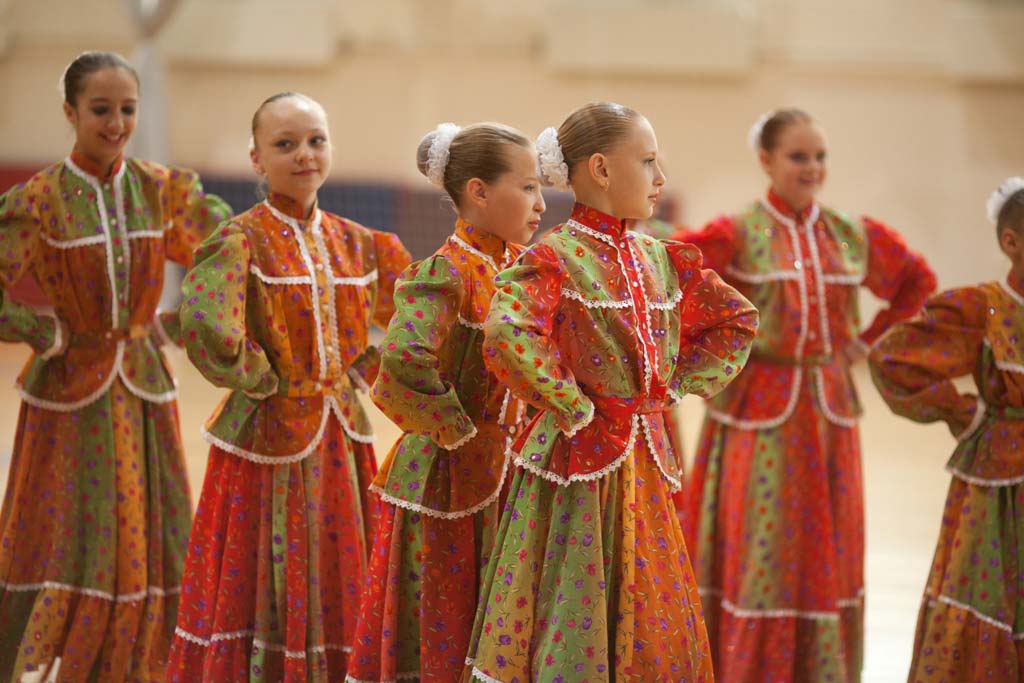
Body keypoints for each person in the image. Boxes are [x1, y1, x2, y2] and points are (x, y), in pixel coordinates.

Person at [464, 102, 758, 683]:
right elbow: (507, 331)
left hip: (643, 461)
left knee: (648, 606)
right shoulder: (555, 256)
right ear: (600, 169)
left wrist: (670, 385)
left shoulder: (659, 259)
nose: (660, 177)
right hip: (575, 464)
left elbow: (736, 320)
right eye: (647, 161)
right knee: (572, 602)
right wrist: (573, 405)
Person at [679, 108, 937, 682]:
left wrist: (865, 342)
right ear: (766, 161)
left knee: (826, 543)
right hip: (757, 411)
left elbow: (917, 282)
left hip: (828, 413)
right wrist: (712, 354)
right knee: (760, 545)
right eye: (798, 156)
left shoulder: (849, 233)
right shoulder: (737, 232)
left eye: (820, 156)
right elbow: (674, 277)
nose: (812, 167)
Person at [0, 50, 230, 683]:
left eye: (128, 109)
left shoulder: (161, 189)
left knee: (151, 532)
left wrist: (181, 324)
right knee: (77, 531)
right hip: (69, 393)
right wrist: (39, 328)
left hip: (144, 387)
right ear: (70, 111)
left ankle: (139, 661)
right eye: (100, 109)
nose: (116, 123)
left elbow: (225, 254)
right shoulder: (40, 199)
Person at [166, 92, 411, 681]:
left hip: (340, 440)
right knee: (265, 567)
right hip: (266, 441)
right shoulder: (240, 239)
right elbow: (205, 324)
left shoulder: (361, 243)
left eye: (315, 140)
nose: (304, 154)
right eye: (285, 144)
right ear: (256, 158)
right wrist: (263, 376)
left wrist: (367, 368)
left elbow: (412, 320)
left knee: (336, 562)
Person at [347, 122, 542, 683]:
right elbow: (403, 358)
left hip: (509, 471)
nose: (539, 203)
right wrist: (456, 427)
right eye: (527, 187)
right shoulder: (448, 272)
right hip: (448, 479)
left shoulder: (519, 269)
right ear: (479, 191)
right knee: (445, 626)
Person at [870, 177, 1024, 682]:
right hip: (998, 488)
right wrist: (963, 413)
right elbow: (894, 358)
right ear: (1011, 242)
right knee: (989, 597)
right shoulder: (984, 307)